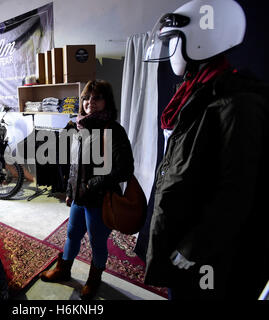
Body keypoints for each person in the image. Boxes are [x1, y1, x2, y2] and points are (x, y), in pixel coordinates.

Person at [143, 0, 269, 299]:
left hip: (208, 254)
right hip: (182, 232)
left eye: (174, 39)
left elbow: (236, 193)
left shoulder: (237, 104)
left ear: (201, 40)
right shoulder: (194, 94)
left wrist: (192, 247)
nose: (171, 50)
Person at [40, 80, 134, 300]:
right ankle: (63, 270)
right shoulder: (79, 125)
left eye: (97, 97)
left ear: (107, 101)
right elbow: (76, 164)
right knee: (72, 234)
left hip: (99, 199)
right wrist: (71, 192)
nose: (90, 102)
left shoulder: (113, 129)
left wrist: (92, 184)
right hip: (79, 197)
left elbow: (125, 169)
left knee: (97, 242)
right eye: (87, 97)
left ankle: (94, 280)